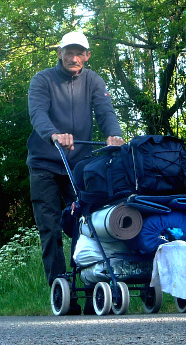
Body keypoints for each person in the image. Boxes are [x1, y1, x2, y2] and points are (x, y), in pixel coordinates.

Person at [27, 31, 124, 296]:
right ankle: (61, 290)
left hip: (78, 165)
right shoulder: (42, 79)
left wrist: (114, 136)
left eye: (79, 52)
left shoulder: (93, 80)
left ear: (87, 56)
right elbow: (37, 113)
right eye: (69, 51)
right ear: (59, 53)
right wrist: (53, 134)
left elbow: (106, 111)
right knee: (50, 229)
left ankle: (91, 288)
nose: (74, 57)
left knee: (84, 226)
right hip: (44, 163)